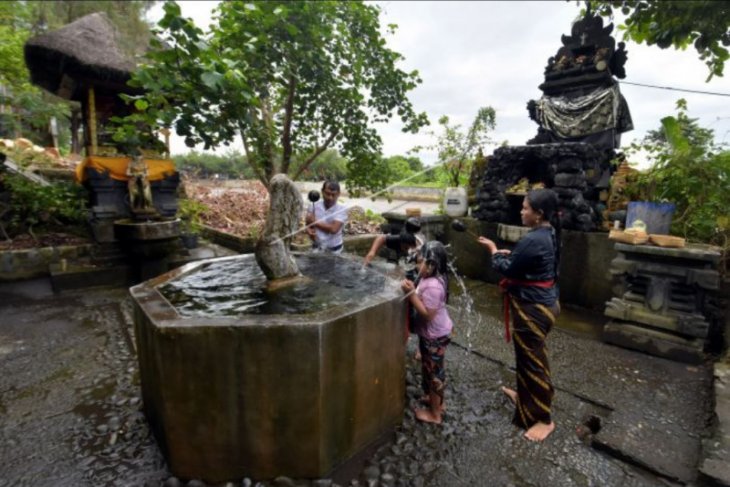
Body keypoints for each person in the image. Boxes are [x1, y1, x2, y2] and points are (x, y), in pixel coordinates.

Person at [477, 188, 561, 442]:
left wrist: (493, 251)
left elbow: (508, 270)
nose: (521, 211)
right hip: (544, 304)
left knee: (534, 363)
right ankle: (525, 399)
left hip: (533, 310)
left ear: (539, 214)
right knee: (527, 358)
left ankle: (544, 419)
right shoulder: (548, 233)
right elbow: (527, 264)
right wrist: (511, 255)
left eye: (525, 208)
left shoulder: (533, 239)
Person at [401, 241, 453, 424]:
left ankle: (436, 414)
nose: (417, 265)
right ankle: (435, 401)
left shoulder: (433, 287)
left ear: (431, 265)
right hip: (434, 334)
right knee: (431, 369)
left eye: (420, 262)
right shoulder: (433, 278)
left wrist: (411, 294)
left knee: (434, 374)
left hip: (435, 336)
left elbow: (427, 314)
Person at [305, 180, 348, 253]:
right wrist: (309, 230)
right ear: (322, 191)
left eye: (333, 195)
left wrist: (314, 221)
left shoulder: (342, 209)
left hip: (334, 250)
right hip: (316, 247)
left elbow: (333, 229)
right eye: (327, 194)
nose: (330, 198)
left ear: (339, 194)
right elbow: (308, 223)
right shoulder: (313, 206)